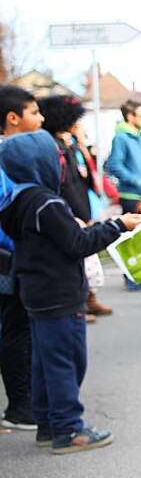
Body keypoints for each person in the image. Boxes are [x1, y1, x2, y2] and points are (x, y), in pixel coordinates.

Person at [0, 131, 141, 453]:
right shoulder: (48, 203)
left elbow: (54, 238)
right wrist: (118, 226)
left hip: (36, 293)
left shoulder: (18, 200)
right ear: (41, 162)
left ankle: (48, 425)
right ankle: (69, 429)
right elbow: (77, 244)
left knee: (45, 362)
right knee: (67, 361)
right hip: (60, 293)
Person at [38, 95, 113, 319]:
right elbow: (65, 185)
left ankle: (88, 299)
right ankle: (79, 303)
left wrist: (81, 145)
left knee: (87, 262)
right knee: (75, 261)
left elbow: (88, 178)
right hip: (68, 210)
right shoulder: (53, 148)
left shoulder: (70, 147)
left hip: (80, 207)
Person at [0, 85, 44, 431]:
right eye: (33, 112)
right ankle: (19, 406)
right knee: (15, 330)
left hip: (15, 254)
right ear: (13, 118)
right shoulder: (7, 159)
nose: (40, 118)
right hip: (8, 256)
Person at [105, 100, 141, 214]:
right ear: (130, 117)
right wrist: (136, 181)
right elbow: (114, 165)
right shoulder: (121, 138)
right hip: (131, 196)